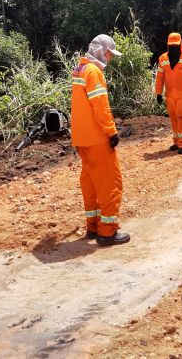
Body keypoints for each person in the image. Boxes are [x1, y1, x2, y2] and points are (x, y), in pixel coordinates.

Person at [71, 34, 130, 246]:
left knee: (91, 181)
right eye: (108, 53)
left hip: (81, 137)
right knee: (110, 182)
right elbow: (100, 106)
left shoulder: (80, 69)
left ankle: (93, 226)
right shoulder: (94, 72)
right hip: (96, 137)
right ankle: (107, 232)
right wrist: (111, 131)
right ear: (100, 51)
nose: (110, 58)